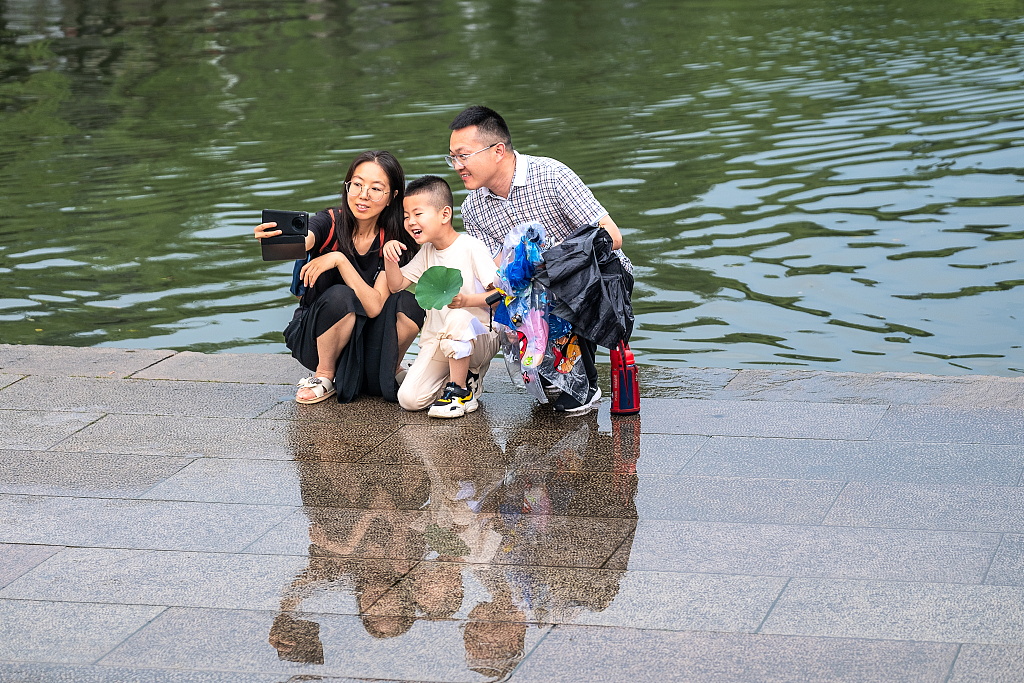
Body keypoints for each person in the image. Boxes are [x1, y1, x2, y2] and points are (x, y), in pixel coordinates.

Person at [447, 106, 631, 415]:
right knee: (516, 289)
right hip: (537, 291)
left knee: (548, 279)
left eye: (463, 156)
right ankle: (553, 365)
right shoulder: (474, 207)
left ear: (497, 151)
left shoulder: (551, 176)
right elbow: (498, 271)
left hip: (600, 280)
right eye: (452, 157)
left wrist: (550, 262)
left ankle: (586, 384)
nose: (457, 166)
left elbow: (611, 237)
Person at [254, 151, 425, 404]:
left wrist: (339, 260)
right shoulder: (331, 221)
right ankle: (324, 374)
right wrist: (280, 239)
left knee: (409, 304)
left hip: (367, 340)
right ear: (347, 186)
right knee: (341, 297)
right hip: (315, 335)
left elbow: (375, 305)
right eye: (356, 184)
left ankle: (391, 368)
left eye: (376, 188)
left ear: (393, 197)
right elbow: (307, 237)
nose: (363, 195)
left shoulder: (394, 239)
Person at [383, 175, 500, 418]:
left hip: (479, 337)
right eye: (406, 216)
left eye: (417, 214)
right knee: (409, 399)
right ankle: (464, 379)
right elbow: (396, 285)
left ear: (445, 215)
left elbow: (501, 293)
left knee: (458, 317)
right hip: (439, 340)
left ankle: (459, 391)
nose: (410, 221)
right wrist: (388, 257)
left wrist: (466, 302)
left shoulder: (471, 247)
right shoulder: (426, 251)